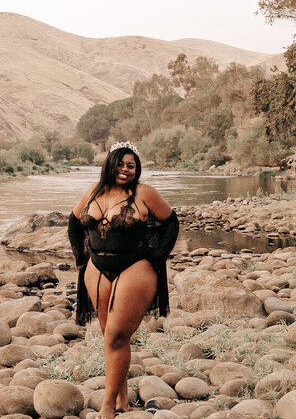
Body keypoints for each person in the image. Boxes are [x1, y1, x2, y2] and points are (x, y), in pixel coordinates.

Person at [68, 141, 179, 419]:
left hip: (134, 267)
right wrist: (81, 259)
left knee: (116, 335)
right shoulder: (93, 192)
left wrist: (157, 258)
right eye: (120, 164)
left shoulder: (144, 193)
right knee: (110, 335)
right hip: (96, 269)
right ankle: (123, 401)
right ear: (110, 164)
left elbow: (171, 223)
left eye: (131, 165)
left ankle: (107, 406)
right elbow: (74, 223)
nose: (126, 169)